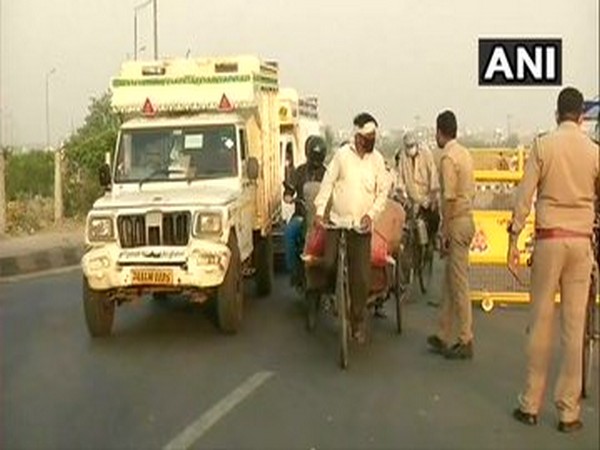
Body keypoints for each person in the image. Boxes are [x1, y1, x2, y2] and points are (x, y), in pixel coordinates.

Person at [508, 87, 599, 433]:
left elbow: (524, 197)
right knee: (574, 331)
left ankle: (530, 404)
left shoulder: (542, 146)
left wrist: (514, 238)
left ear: (557, 113)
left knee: (541, 323)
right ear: (581, 116)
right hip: (580, 244)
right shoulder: (593, 152)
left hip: (549, 241)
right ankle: (568, 412)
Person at [313, 112, 390, 344]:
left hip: (361, 226)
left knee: (362, 279)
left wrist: (371, 214)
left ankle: (357, 323)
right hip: (338, 222)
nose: (371, 140)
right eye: (367, 136)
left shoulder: (377, 160)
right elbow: (327, 184)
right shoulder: (342, 156)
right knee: (327, 262)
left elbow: (382, 192)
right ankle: (331, 294)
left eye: (373, 136)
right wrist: (319, 211)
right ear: (357, 136)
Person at [427, 110, 476, 359]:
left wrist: (443, 230)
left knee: (458, 284)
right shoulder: (465, 154)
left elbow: (448, 197)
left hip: (456, 222)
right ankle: (443, 333)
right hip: (468, 220)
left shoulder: (447, 158)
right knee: (450, 280)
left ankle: (465, 338)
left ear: (439, 131)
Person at [283, 135, 328, 289]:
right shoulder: (299, 171)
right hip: (302, 217)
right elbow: (289, 190)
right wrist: (288, 196)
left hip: (322, 219)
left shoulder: (328, 174)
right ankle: (295, 272)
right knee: (289, 232)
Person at [395, 130, 441, 251]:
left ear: (416, 145)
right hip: (411, 201)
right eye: (408, 147)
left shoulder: (426, 155)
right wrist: (402, 196)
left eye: (412, 146)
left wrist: (431, 198)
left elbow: (434, 179)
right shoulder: (403, 158)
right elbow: (399, 181)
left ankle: (432, 243)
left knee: (434, 220)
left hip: (426, 200)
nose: (410, 149)